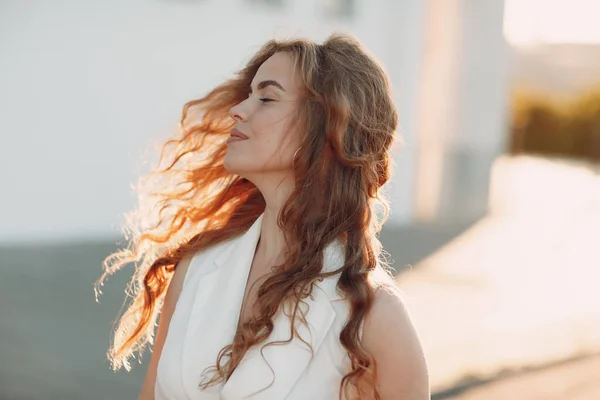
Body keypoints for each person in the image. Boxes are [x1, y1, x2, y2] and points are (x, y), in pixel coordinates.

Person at [95, 33, 430, 400]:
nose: (238, 109)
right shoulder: (196, 269)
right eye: (249, 93)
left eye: (267, 97)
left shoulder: (376, 316)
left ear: (329, 127)